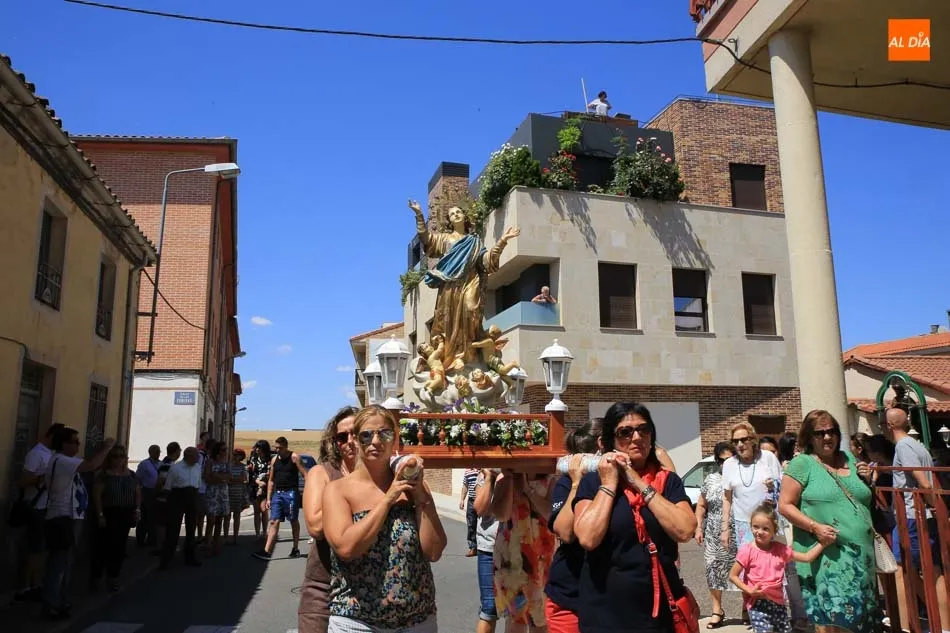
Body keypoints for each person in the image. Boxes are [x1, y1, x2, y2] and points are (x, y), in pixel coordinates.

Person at [572, 402, 696, 633]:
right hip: (605, 612)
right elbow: (588, 538)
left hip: (659, 614)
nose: (637, 437)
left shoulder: (668, 481)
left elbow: (685, 530)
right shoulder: (592, 483)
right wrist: (609, 484)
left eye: (643, 430)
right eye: (625, 432)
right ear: (609, 441)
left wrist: (637, 482)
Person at [323, 406, 446, 633]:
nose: (376, 441)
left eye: (385, 434)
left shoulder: (413, 488)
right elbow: (346, 548)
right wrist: (388, 498)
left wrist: (421, 497)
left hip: (417, 621)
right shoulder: (337, 490)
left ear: (395, 438)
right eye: (366, 435)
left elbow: (434, 551)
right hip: (357, 622)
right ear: (356, 440)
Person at [778, 410, 879, 633]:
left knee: (862, 620)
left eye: (832, 431)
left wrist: (867, 480)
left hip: (861, 556)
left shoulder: (849, 459)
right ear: (808, 437)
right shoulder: (802, 464)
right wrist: (815, 527)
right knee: (837, 619)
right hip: (828, 555)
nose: (827, 437)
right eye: (820, 433)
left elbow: (862, 500)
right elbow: (784, 505)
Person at [885, 407, 949, 630]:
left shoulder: (904, 446)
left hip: (912, 516)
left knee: (902, 570)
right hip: (921, 515)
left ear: (890, 425)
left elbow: (922, 481)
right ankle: (941, 625)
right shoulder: (918, 445)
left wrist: (934, 505)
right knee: (933, 569)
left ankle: (905, 626)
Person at [42, 427, 115, 619]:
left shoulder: (64, 461)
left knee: (65, 563)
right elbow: (91, 465)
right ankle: (51, 604)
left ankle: (59, 600)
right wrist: (107, 448)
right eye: (75, 442)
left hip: (69, 516)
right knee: (58, 564)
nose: (78, 445)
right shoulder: (62, 460)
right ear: (64, 444)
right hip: (62, 516)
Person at [298, 405, 359, 633]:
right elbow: (315, 526)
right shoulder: (322, 473)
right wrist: (357, 493)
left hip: (369, 589)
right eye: (343, 437)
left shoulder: (380, 476)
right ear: (335, 442)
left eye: (357, 433)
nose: (350, 441)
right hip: (324, 588)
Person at [728, 503, 826, 633]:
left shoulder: (780, 550)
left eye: (765, 529)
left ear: (774, 531)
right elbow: (733, 575)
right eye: (755, 527)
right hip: (757, 603)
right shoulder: (747, 551)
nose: (759, 532)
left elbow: (807, 557)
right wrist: (749, 591)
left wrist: (823, 543)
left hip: (778, 603)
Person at [544, 422, 601, 633]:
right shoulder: (567, 482)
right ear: (602, 444)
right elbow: (565, 532)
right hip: (571, 593)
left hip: (611, 596)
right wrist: (577, 483)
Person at [491, 466, 556, 633]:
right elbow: (501, 515)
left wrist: (527, 490)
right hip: (511, 558)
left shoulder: (551, 478)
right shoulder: (504, 478)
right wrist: (509, 479)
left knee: (540, 620)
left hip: (542, 557)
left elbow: (551, 516)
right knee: (516, 619)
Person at [13, 421, 64, 603]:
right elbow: (23, 480)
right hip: (36, 507)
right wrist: (44, 477)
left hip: (48, 507)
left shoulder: (52, 455)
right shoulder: (36, 454)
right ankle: (25, 587)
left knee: (42, 549)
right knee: (35, 549)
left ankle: (36, 584)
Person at [694, 441, 737, 629]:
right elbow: (701, 505)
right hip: (713, 533)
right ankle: (717, 610)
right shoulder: (711, 479)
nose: (724, 464)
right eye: (720, 460)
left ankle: (746, 608)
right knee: (712, 569)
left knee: (743, 569)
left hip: (739, 532)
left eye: (729, 460)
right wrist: (698, 527)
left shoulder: (741, 477)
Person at [90, 445, 141, 592]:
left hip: (125, 513)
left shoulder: (132, 475)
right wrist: (100, 515)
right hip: (109, 512)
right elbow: (97, 496)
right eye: (115, 456)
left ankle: (113, 577)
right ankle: (96, 577)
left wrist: (137, 510)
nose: (119, 459)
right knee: (103, 546)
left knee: (119, 547)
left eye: (122, 456)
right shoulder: (104, 475)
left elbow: (137, 493)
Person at [254, 436, 310, 560]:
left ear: (286, 447)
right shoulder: (274, 460)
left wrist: (309, 492)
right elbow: (271, 480)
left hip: (291, 493)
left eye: (280, 448)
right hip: (278, 493)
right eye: (276, 448)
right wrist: (269, 498)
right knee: (274, 521)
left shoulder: (294, 457)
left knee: (293, 520)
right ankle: (267, 551)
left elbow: (305, 475)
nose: (277, 450)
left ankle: (295, 548)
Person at [160, 446, 203, 570]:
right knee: (173, 529)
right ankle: (166, 560)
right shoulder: (175, 468)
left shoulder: (197, 467)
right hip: (177, 496)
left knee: (191, 529)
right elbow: (168, 486)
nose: (198, 458)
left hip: (192, 495)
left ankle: (190, 557)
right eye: (196, 456)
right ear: (188, 456)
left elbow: (198, 483)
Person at [473, 469, 502, 633]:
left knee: (520, 610)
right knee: (489, 608)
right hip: (489, 548)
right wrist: (490, 478)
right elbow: (480, 509)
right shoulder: (483, 476)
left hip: (516, 546)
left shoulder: (517, 473)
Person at [152, 442, 180, 555]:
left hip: (164, 497)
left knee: (162, 523)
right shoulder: (168, 464)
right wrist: (157, 492)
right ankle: (163, 546)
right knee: (164, 523)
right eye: (179, 450)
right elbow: (161, 480)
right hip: (165, 497)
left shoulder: (165, 462)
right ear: (176, 451)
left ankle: (163, 545)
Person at [203, 441, 231, 556]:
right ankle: (208, 545)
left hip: (222, 494)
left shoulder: (227, 463)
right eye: (223, 450)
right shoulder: (210, 462)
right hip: (212, 493)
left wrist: (217, 476)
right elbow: (207, 478)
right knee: (211, 520)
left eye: (226, 450)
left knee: (220, 520)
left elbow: (229, 477)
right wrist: (221, 478)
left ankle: (216, 545)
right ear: (217, 451)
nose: (225, 452)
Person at [134, 444, 161, 548]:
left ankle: (152, 539)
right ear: (150, 452)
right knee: (145, 517)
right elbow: (138, 478)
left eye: (159, 451)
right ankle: (140, 539)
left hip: (157, 492)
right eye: (156, 451)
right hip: (146, 491)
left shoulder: (161, 464)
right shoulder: (144, 464)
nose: (158, 454)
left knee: (154, 517)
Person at [224, 448, 249, 545]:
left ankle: (235, 537)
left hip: (238, 493)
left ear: (241, 456)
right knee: (227, 516)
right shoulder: (228, 465)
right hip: (229, 492)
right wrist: (235, 479)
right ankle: (226, 537)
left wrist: (233, 479)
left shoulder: (243, 466)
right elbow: (227, 478)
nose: (234, 456)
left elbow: (244, 478)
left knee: (237, 516)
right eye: (234, 454)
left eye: (236, 455)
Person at [248, 439, 272, 539]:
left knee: (264, 509)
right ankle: (257, 533)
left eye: (259, 447)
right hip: (254, 487)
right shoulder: (253, 459)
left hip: (266, 488)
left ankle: (264, 531)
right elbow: (250, 474)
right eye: (256, 447)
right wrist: (257, 482)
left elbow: (271, 474)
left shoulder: (270, 460)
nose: (257, 449)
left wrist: (264, 483)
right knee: (256, 510)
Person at [460, 467, 480, 556]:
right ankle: (473, 547)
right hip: (471, 501)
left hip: (482, 500)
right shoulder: (468, 471)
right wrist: (462, 499)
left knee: (483, 523)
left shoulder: (483, 469)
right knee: (471, 524)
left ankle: (483, 547)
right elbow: (465, 485)